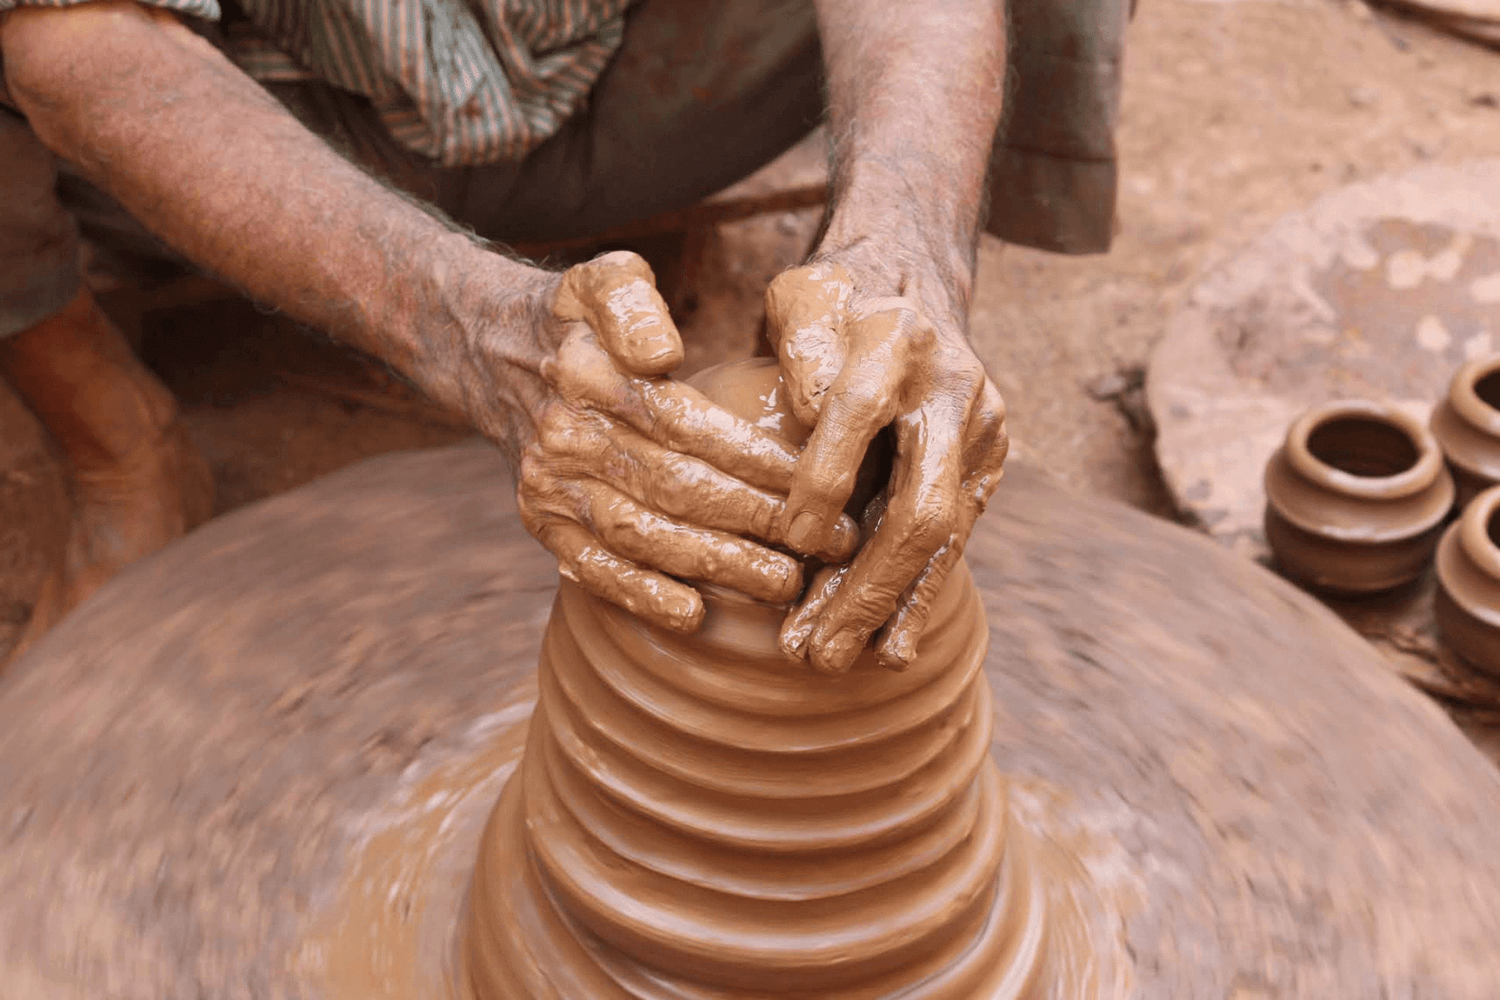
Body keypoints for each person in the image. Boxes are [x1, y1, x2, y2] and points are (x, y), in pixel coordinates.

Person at [0, 0, 1130, 673]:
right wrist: (468, 330)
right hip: (268, 116)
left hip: (655, 74)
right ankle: (115, 433)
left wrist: (907, 244)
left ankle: (848, 318)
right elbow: (79, 39)